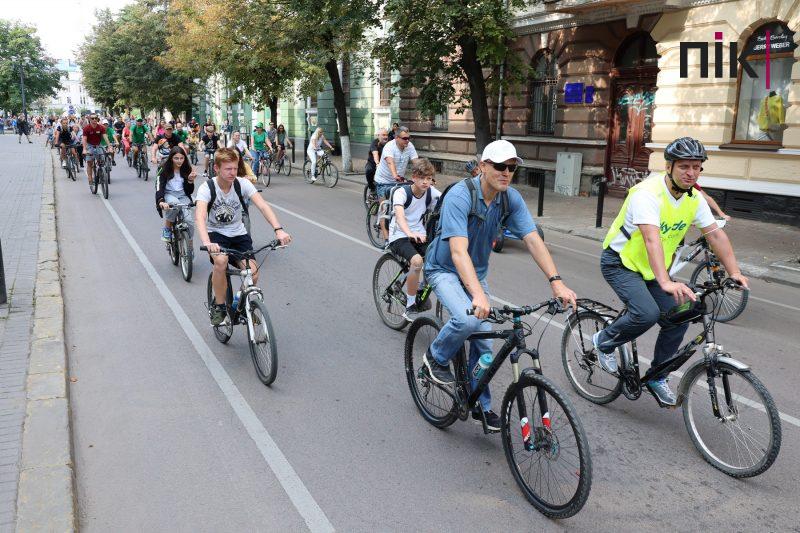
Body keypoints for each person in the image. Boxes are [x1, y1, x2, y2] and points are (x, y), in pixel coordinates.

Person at [422, 140, 577, 431]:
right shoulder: (460, 195)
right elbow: (457, 251)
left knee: (484, 346)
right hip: (444, 269)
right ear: (482, 167)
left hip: (475, 273)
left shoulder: (510, 198)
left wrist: (557, 282)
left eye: (512, 167)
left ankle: (482, 406)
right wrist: (478, 295)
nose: (506, 172)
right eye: (500, 166)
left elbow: (532, 239)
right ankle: (436, 357)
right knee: (467, 319)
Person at [593, 137, 748, 406]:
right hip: (620, 262)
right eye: (684, 166)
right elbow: (651, 239)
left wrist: (734, 271)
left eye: (697, 167)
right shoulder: (646, 193)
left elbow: (715, 235)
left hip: (653, 269)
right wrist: (665, 281)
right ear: (669, 166)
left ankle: (657, 375)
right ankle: (604, 340)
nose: (691, 173)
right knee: (646, 313)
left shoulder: (694, 199)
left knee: (681, 313)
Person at [195, 148, 292, 326]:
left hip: (239, 234)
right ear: (216, 168)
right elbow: (200, 216)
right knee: (221, 261)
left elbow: (263, 206)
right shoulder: (207, 188)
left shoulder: (242, 184)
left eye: (235, 168)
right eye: (228, 169)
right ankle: (219, 307)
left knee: (253, 274)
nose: (233, 172)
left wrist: (278, 229)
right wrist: (207, 242)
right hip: (216, 235)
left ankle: (240, 304)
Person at [387, 159, 441, 318]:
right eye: (422, 178)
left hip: (420, 234)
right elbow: (400, 216)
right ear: (414, 177)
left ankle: (419, 287)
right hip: (399, 235)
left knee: (438, 258)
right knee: (417, 261)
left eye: (429, 178)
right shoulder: (402, 193)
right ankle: (410, 305)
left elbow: (449, 202)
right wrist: (409, 233)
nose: (426, 182)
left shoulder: (432, 192)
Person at [156, 146, 197, 242]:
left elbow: (189, 191)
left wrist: (190, 180)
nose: (179, 161)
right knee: (174, 204)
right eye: (176, 158)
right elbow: (159, 187)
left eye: (182, 158)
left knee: (189, 221)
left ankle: (189, 243)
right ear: (171, 158)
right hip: (169, 194)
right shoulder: (163, 168)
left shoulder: (187, 168)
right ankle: (167, 229)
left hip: (183, 195)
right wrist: (161, 201)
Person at [374, 126, 418, 199]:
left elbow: (416, 162)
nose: (407, 140)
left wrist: (424, 175)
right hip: (383, 181)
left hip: (399, 181)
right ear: (396, 138)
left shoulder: (409, 146)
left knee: (403, 201)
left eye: (408, 138)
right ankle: (380, 209)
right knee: (384, 207)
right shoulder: (389, 147)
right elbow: (390, 162)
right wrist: (395, 176)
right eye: (404, 138)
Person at [82, 114, 107, 187]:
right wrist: (84, 149)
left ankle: (101, 172)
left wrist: (109, 146)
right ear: (90, 119)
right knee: (90, 163)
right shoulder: (86, 128)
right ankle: (90, 179)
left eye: (96, 118)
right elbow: (84, 139)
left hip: (98, 145)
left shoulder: (101, 127)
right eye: (92, 118)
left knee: (102, 160)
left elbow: (105, 137)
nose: (94, 120)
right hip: (89, 146)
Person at [365, 128, 388, 193]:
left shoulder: (389, 143)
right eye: (383, 135)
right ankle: (371, 188)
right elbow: (375, 154)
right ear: (378, 136)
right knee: (369, 170)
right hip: (372, 163)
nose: (385, 137)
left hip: (385, 164)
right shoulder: (374, 143)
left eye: (386, 135)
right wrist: (377, 164)